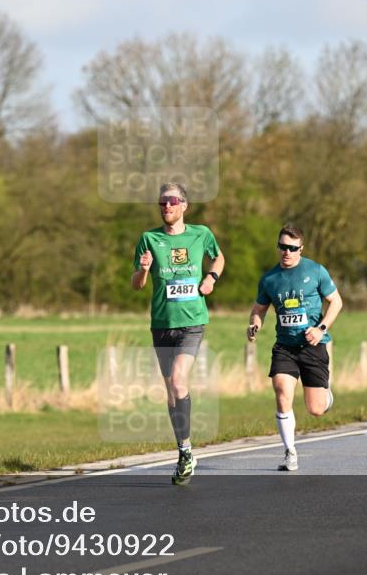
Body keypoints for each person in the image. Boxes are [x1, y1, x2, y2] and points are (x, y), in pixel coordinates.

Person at [132, 183, 224, 485]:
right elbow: (136, 285)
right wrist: (144, 270)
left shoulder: (201, 234)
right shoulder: (149, 239)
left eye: (172, 201)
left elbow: (218, 258)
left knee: (179, 379)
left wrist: (211, 278)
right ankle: (185, 450)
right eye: (161, 202)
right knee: (171, 389)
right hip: (161, 323)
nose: (166, 206)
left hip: (192, 321)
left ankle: (185, 452)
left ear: (184, 205)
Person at [247, 224, 343, 471]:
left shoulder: (315, 271)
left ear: (301, 248)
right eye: (282, 247)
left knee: (316, 409)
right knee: (281, 389)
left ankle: (325, 393)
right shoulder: (269, 278)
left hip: (313, 344)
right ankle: (290, 452)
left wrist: (320, 328)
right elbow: (259, 309)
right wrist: (254, 324)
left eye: (292, 248)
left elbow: (336, 302)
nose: (286, 252)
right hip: (285, 347)